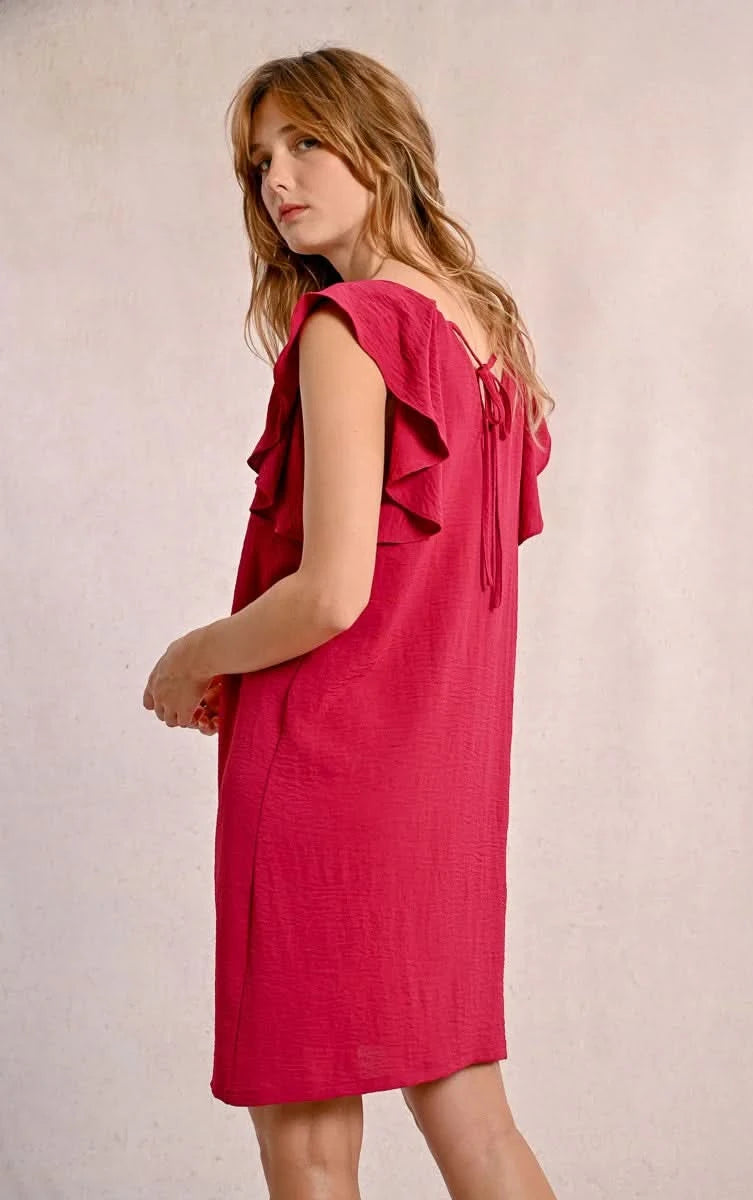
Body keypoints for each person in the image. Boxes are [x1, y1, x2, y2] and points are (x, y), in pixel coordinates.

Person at [143, 45, 557, 1200]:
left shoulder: (349, 325)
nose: (277, 179)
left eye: (304, 143)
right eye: (258, 162)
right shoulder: (486, 335)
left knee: (309, 1134)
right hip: (443, 789)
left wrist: (191, 657)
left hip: (324, 774)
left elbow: (333, 594)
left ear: (376, 143)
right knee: (471, 1112)